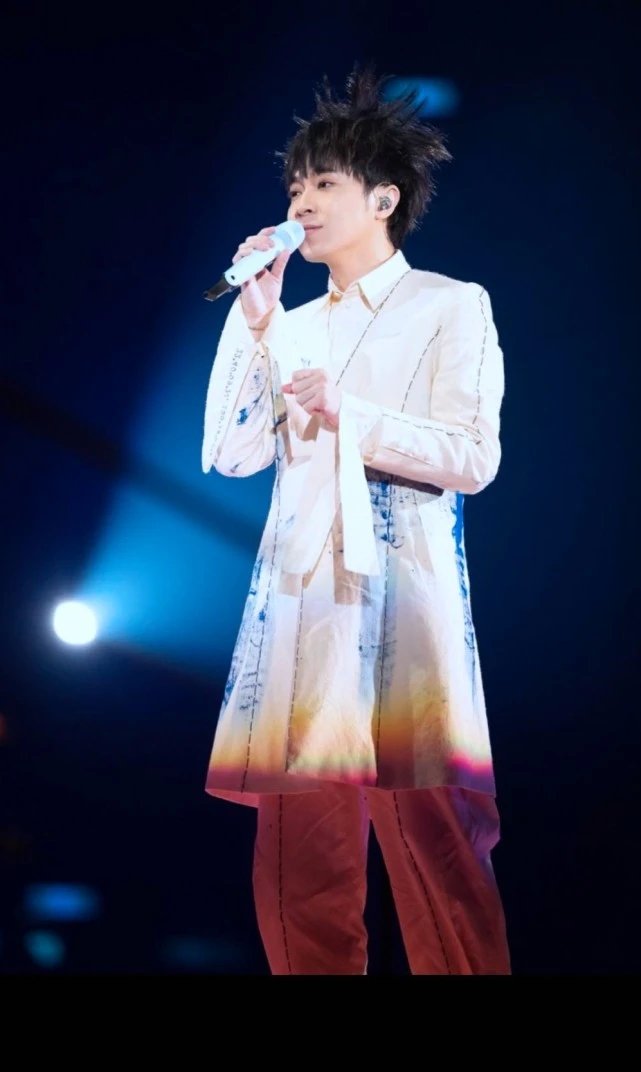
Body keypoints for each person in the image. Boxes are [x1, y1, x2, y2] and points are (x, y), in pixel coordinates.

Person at [201, 61, 511, 975]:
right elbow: (230, 452)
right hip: (302, 613)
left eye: (323, 183)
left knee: (435, 847)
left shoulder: (450, 305)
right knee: (301, 866)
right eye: (295, 186)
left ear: (382, 199)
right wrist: (255, 321)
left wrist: (351, 415)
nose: (300, 200)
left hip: (404, 602)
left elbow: (473, 457)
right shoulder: (290, 323)